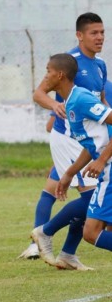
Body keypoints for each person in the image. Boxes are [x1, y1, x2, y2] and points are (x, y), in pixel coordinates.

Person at [30, 12, 107, 270]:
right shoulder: (67, 62)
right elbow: (40, 92)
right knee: (91, 196)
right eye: (94, 33)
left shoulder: (100, 65)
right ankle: (45, 231)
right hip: (68, 137)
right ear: (79, 35)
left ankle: (67, 254)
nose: (100, 37)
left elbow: (102, 101)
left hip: (89, 139)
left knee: (93, 197)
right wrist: (54, 107)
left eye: (102, 32)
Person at [51, 53, 112, 253]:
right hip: (107, 170)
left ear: (59, 75)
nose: (45, 77)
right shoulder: (70, 104)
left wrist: (102, 160)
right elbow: (91, 144)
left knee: (92, 232)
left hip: (109, 171)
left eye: (48, 71)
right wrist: (69, 173)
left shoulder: (81, 99)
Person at [18, 115, 57, 260]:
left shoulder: (70, 93)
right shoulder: (101, 92)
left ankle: (37, 242)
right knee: (88, 199)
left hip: (81, 151)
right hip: (88, 151)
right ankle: (41, 237)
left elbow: (50, 126)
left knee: (48, 195)